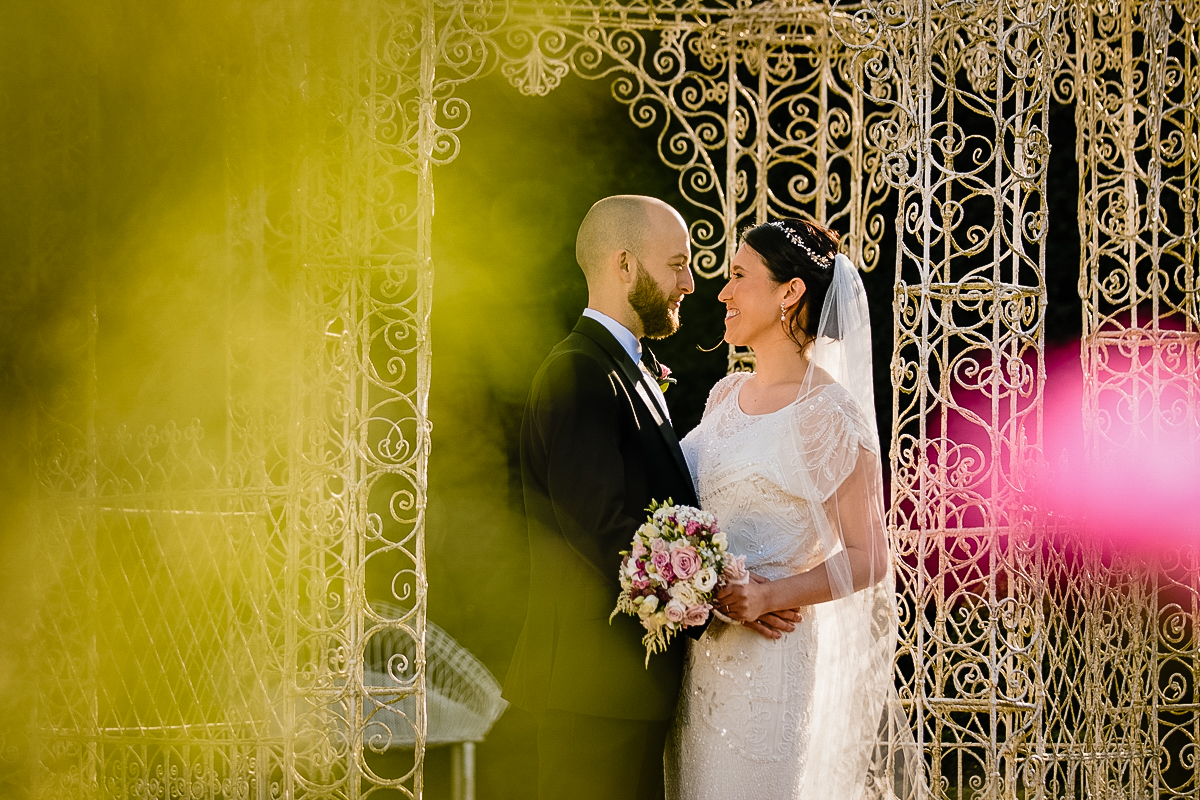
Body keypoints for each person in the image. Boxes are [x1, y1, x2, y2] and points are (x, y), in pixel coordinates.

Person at [504, 196, 800, 800]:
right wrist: (731, 595)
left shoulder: (632, 368)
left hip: (627, 692)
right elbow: (607, 531)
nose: (691, 284)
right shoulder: (578, 372)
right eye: (677, 265)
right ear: (623, 264)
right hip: (591, 691)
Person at [666, 219, 920, 800]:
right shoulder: (725, 394)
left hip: (766, 668)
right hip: (699, 659)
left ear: (789, 293)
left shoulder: (829, 414)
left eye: (738, 276)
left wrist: (769, 596)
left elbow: (871, 557)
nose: (723, 292)